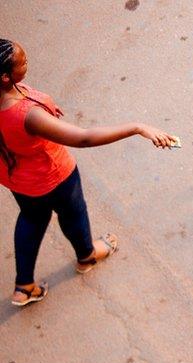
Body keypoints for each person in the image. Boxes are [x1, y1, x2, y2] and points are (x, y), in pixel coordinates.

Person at [0, 39, 178, 307]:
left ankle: (24, 287)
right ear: (4, 77)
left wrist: (45, 114)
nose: (27, 63)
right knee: (73, 212)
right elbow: (83, 138)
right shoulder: (27, 116)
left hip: (18, 179)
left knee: (32, 219)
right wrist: (137, 127)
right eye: (22, 63)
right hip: (53, 176)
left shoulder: (14, 100)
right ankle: (87, 255)